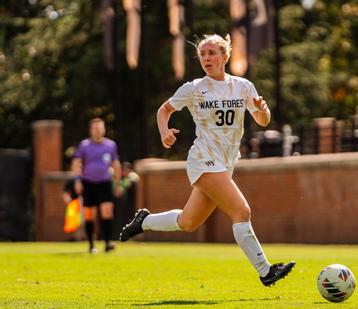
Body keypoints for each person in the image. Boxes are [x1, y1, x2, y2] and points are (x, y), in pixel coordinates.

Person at [120, 34, 295, 286]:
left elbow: (262, 120)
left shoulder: (243, 86)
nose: (206, 58)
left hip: (226, 162)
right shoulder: (194, 88)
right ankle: (266, 271)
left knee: (188, 222)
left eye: (212, 53)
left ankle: (144, 221)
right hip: (203, 159)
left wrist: (264, 111)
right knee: (241, 210)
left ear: (225, 56)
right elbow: (164, 110)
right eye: (202, 54)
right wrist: (164, 131)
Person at [72, 117, 123, 253]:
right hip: (88, 183)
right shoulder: (84, 145)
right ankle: (91, 245)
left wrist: (118, 183)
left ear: (104, 129)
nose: (98, 130)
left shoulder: (111, 145)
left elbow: (116, 164)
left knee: (107, 211)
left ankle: (107, 243)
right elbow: (77, 163)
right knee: (90, 215)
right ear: (91, 130)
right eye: (95, 128)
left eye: (100, 127)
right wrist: (77, 180)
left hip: (105, 183)